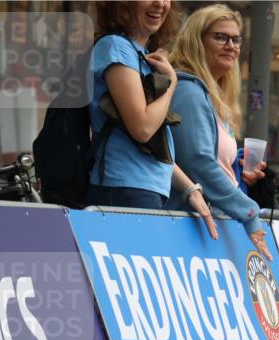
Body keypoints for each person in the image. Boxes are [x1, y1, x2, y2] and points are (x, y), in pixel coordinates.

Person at [85, 0, 213, 232]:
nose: (160, 4)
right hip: (124, 189)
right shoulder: (116, 46)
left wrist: (190, 189)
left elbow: (153, 146)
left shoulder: (139, 53)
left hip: (143, 190)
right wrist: (171, 83)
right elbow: (143, 128)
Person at [168, 4, 272, 259]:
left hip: (207, 223)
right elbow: (198, 161)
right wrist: (248, 211)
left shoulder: (211, 94)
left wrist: (237, 165)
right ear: (197, 42)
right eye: (221, 37)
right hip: (188, 225)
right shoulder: (189, 92)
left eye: (236, 40)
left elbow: (209, 156)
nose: (232, 46)